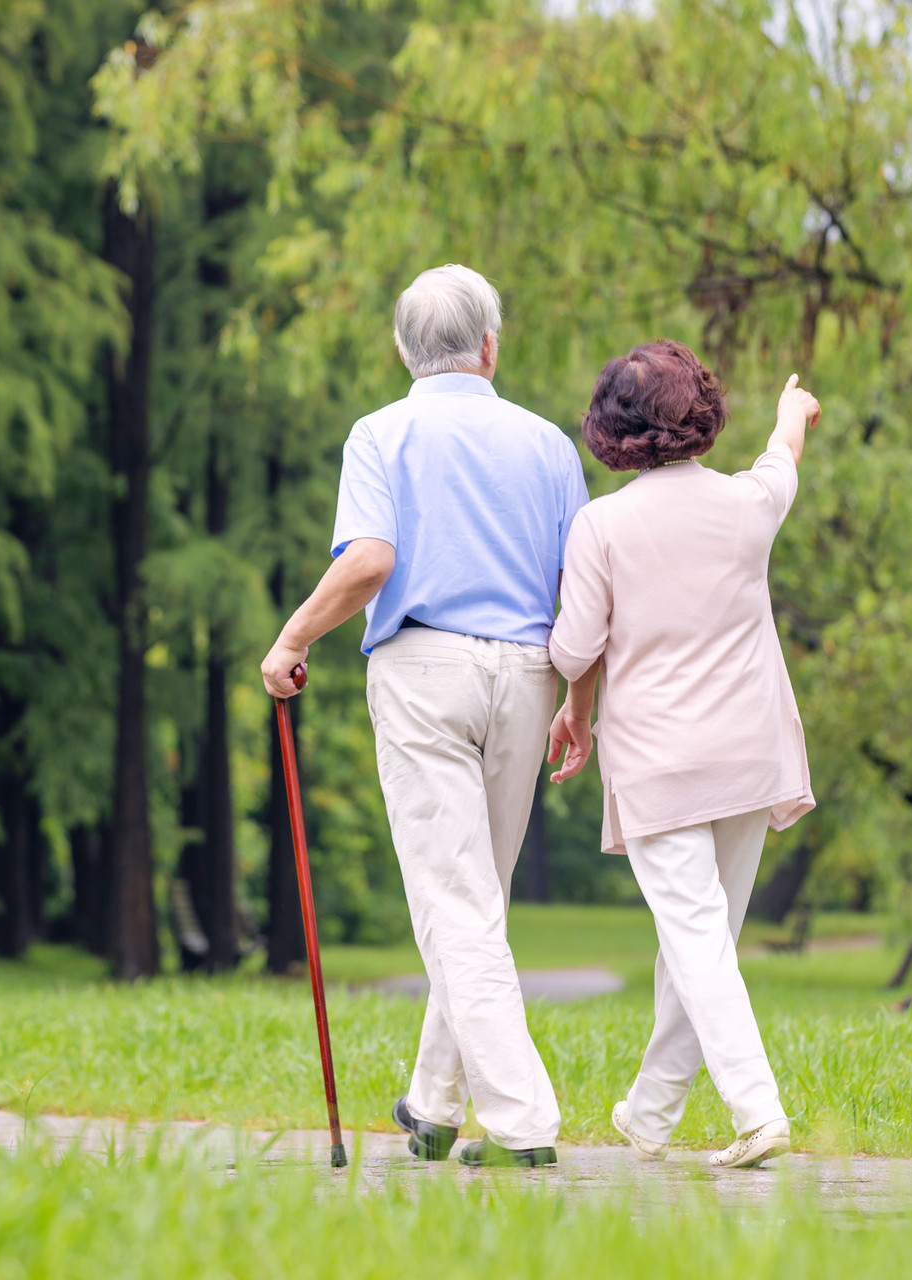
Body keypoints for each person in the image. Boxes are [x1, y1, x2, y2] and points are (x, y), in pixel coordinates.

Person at [260, 264, 589, 1168]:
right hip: (527, 675)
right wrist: (578, 700)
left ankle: (522, 1122)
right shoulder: (550, 445)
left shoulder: (381, 433)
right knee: (477, 899)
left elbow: (370, 560)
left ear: (404, 351)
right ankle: (435, 1105)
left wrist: (291, 638)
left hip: (424, 668)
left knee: (457, 904)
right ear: (491, 345)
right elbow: (579, 592)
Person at [546, 340, 819, 1169]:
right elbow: (783, 459)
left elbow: (572, 648)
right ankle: (653, 1113)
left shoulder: (602, 525)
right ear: (699, 413)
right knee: (702, 942)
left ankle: (757, 1110)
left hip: (661, 763)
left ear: (611, 427)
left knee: (696, 940)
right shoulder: (746, 506)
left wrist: (575, 698)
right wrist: (789, 412)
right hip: (749, 755)